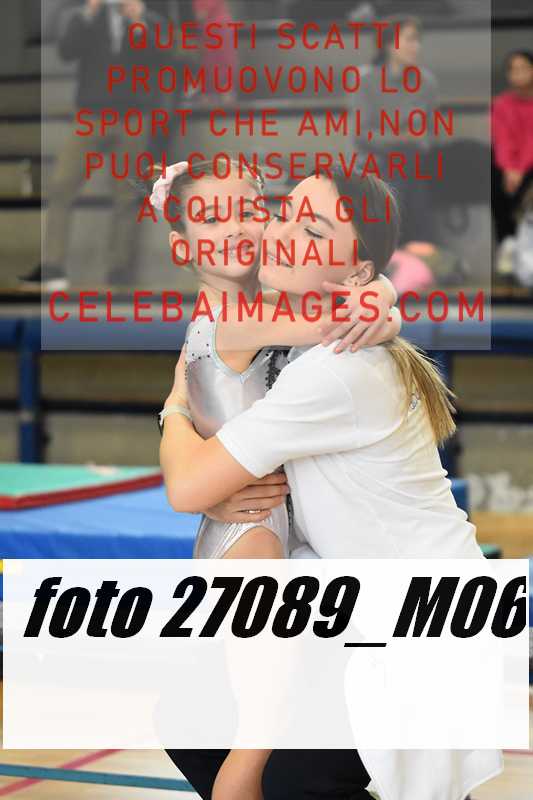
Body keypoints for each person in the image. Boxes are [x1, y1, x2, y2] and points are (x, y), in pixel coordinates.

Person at [159, 170, 502, 800]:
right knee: (196, 712)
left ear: (355, 271)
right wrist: (381, 294)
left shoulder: (334, 367)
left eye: (313, 230)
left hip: (423, 626)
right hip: (365, 609)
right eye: (285, 212)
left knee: (285, 765)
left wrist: (176, 411)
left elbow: (185, 488)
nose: (284, 233)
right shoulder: (290, 333)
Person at [151, 159, 400, 799]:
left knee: (268, 677)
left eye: (250, 210)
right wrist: (381, 299)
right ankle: (245, 768)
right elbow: (339, 319)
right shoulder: (234, 319)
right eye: (213, 219)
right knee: (262, 687)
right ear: (183, 246)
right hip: (251, 522)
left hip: (264, 510)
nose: (238, 226)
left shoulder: (252, 305)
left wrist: (380, 293)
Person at [19, 0, 165, 292]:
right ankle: (53, 264)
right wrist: (89, 12)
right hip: (91, 116)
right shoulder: (86, 17)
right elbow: (67, 52)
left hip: (133, 117)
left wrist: (139, 23)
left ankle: (119, 268)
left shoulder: (150, 20)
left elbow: (161, 61)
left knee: (126, 193)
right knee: (61, 184)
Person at [356, 15, 438, 252]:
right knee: (399, 167)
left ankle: (399, 246)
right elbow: (362, 134)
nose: (416, 46)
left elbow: (429, 134)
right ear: (389, 44)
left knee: (411, 165)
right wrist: (399, 137)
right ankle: (414, 243)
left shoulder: (426, 82)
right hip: (377, 161)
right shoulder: (365, 80)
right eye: (410, 39)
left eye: (418, 40)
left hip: (413, 159)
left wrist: (411, 138)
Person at [491, 50, 533, 243]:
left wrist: (520, 169)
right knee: (495, 180)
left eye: (524, 68)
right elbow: (502, 139)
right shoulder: (502, 104)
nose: (519, 74)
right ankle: (507, 243)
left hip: (528, 164)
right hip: (509, 166)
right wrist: (509, 168)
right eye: (514, 70)